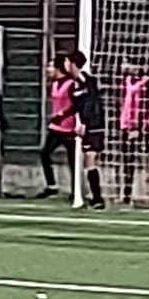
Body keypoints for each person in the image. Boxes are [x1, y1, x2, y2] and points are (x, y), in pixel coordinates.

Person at [65, 50, 107, 210]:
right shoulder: (74, 84)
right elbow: (77, 106)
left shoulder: (86, 81)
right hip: (86, 125)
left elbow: (91, 103)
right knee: (86, 160)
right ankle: (88, 195)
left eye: (67, 61)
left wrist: (85, 122)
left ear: (73, 64)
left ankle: (97, 198)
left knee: (90, 158)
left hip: (94, 125)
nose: (65, 65)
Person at [35, 56, 79, 200]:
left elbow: (76, 105)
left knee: (73, 160)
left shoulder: (71, 84)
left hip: (69, 127)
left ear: (58, 68)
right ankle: (51, 186)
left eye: (51, 66)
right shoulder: (54, 84)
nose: (48, 69)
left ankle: (76, 190)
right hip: (56, 126)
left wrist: (63, 114)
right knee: (44, 153)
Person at [118, 60, 149, 206]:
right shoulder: (127, 80)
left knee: (147, 159)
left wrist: (137, 128)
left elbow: (144, 106)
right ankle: (127, 193)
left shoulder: (145, 82)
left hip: (142, 126)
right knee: (127, 161)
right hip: (127, 125)